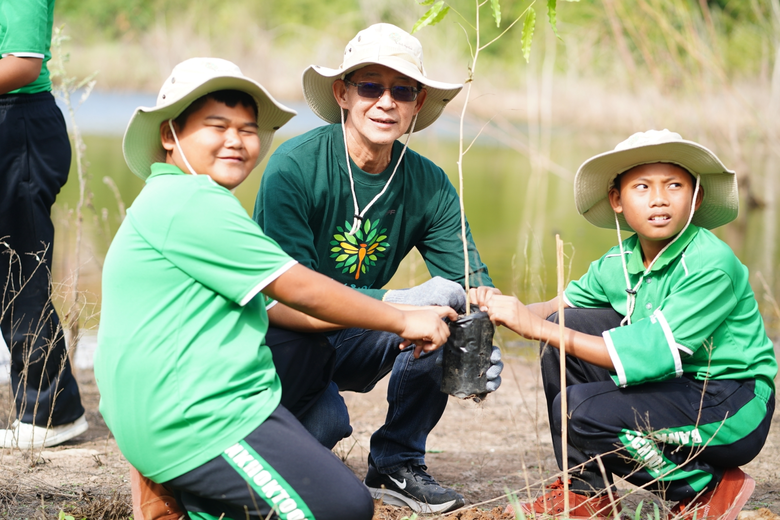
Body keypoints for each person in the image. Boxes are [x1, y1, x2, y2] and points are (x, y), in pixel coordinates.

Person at [95, 57, 457, 520]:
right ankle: (170, 485)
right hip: (195, 420)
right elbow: (297, 287)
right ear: (170, 135)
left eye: (247, 130)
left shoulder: (183, 197)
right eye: (217, 126)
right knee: (344, 508)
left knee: (322, 419)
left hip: (202, 403)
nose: (236, 140)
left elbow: (276, 303)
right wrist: (403, 314)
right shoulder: (191, 201)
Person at [253, 23, 502, 513]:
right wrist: (397, 306)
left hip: (355, 333)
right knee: (328, 424)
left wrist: (483, 338)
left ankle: (397, 463)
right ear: (342, 93)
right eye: (370, 86)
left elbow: (474, 287)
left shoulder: (427, 183)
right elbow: (285, 298)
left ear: (417, 102)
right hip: (286, 338)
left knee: (449, 301)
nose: (385, 102)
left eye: (402, 90)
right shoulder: (294, 168)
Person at [474, 130, 777, 520]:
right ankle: (587, 491)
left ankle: (706, 489)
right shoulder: (621, 259)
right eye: (642, 186)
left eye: (674, 185)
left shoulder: (711, 264)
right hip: (677, 388)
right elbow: (553, 308)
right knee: (565, 326)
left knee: (579, 410)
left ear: (696, 198)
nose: (659, 199)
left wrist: (539, 328)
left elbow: (650, 356)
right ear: (617, 200)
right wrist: (492, 312)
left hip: (730, 404)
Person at [0, 0, 88, 449]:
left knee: (18, 277)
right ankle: (54, 407)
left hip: (19, 126)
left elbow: (22, 63)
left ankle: (50, 413)